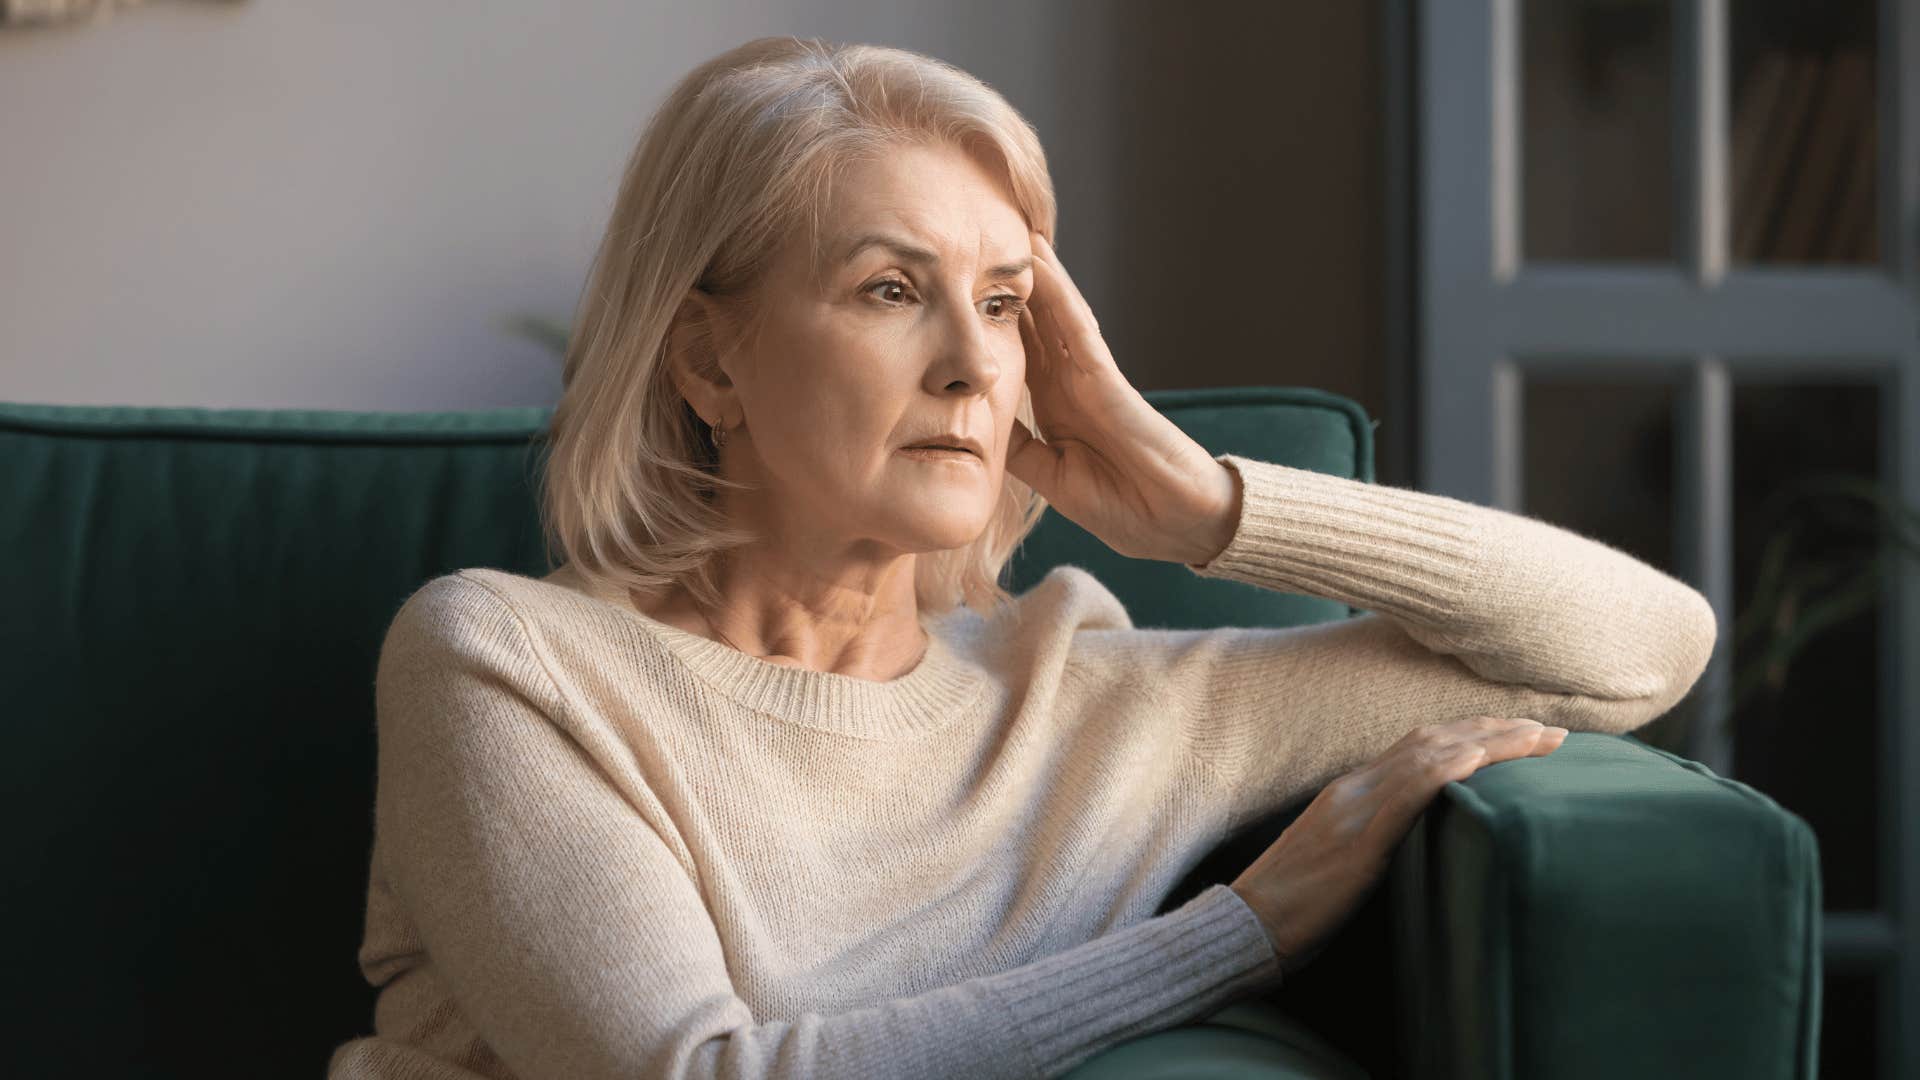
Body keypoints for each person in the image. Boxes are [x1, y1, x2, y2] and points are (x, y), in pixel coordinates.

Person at [326, 35, 1717, 1080]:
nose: (975, 364)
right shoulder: (506, 661)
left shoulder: (1086, 695)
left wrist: (1207, 508)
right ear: (708, 358)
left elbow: (1647, 645)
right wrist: (1240, 933)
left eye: (1002, 302)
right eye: (891, 291)